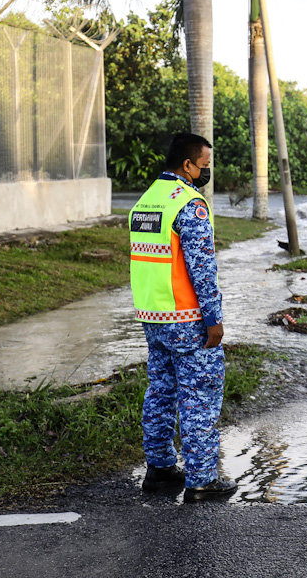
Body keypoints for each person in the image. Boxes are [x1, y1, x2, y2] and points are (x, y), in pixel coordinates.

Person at [129, 132, 237, 502]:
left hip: (153, 315)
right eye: (204, 166)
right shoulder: (190, 204)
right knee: (200, 396)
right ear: (188, 164)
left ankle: (160, 468)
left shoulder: (147, 200)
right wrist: (214, 318)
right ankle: (202, 479)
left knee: (160, 389)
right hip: (188, 317)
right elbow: (202, 267)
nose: (205, 172)